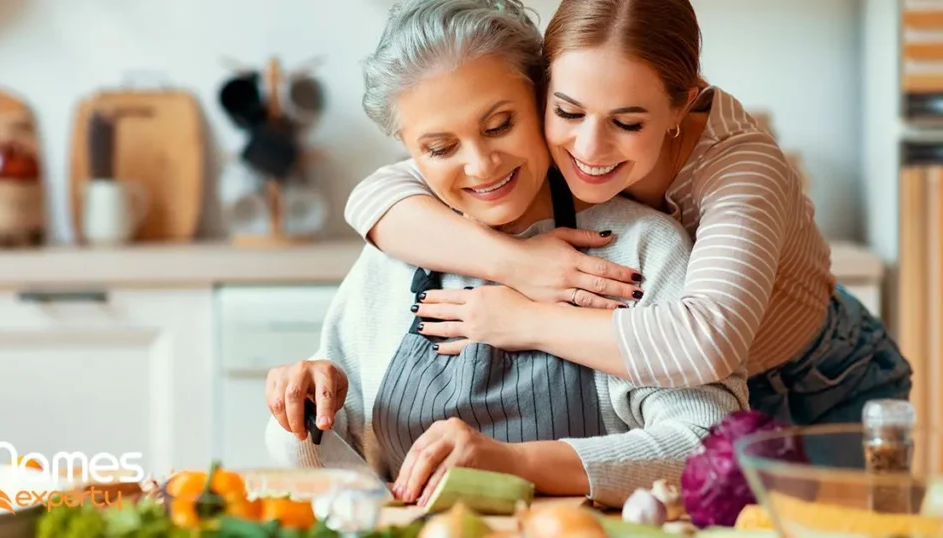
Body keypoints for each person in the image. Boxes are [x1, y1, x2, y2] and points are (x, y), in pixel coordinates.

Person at [265, 0, 747, 508]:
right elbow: (353, 486)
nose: (480, 166)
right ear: (408, 149)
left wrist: (514, 464)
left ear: (541, 96)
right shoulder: (392, 254)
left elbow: (707, 447)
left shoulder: (641, 247)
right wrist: (303, 419)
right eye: (440, 148)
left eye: (499, 125)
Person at [341, 0, 912, 426]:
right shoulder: (522, 134)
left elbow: (705, 343)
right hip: (681, 394)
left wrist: (521, 320)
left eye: (628, 123)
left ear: (680, 105)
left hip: (815, 381)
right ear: (544, 88)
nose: (588, 150)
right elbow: (376, 196)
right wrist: (518, 263)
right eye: (567, 111)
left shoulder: (742, 169)